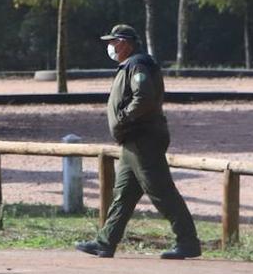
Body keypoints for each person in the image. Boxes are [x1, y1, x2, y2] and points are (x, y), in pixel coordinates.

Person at [76, 24, 202, 260]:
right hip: (132, 141)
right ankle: (105, 242)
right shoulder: (130, 65)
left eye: (113, 42)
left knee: (161, 191)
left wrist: (124, 117)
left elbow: (143, 96)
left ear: (125, 43)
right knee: (123, 194)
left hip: (143, 139)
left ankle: (188, 242)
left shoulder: (138, 65)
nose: (110, 47)